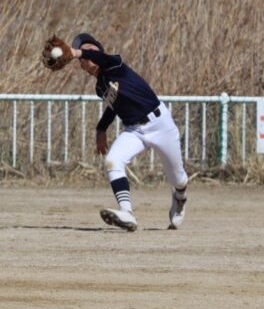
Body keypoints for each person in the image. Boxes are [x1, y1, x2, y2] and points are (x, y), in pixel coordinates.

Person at [67, 33, 189, 232]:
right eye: (84, 55)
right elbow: (113, 106)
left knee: (178, 179)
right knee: (113, 160)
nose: (88, 55)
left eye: (91, 50)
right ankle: (127, 213)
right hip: (135, 130)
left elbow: (102, 58)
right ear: (82, 65)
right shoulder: (100, 87)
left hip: (160, 124)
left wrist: (76, 52)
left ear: (99, 52)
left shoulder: (115, 63)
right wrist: (101, 127)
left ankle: (181, 197)